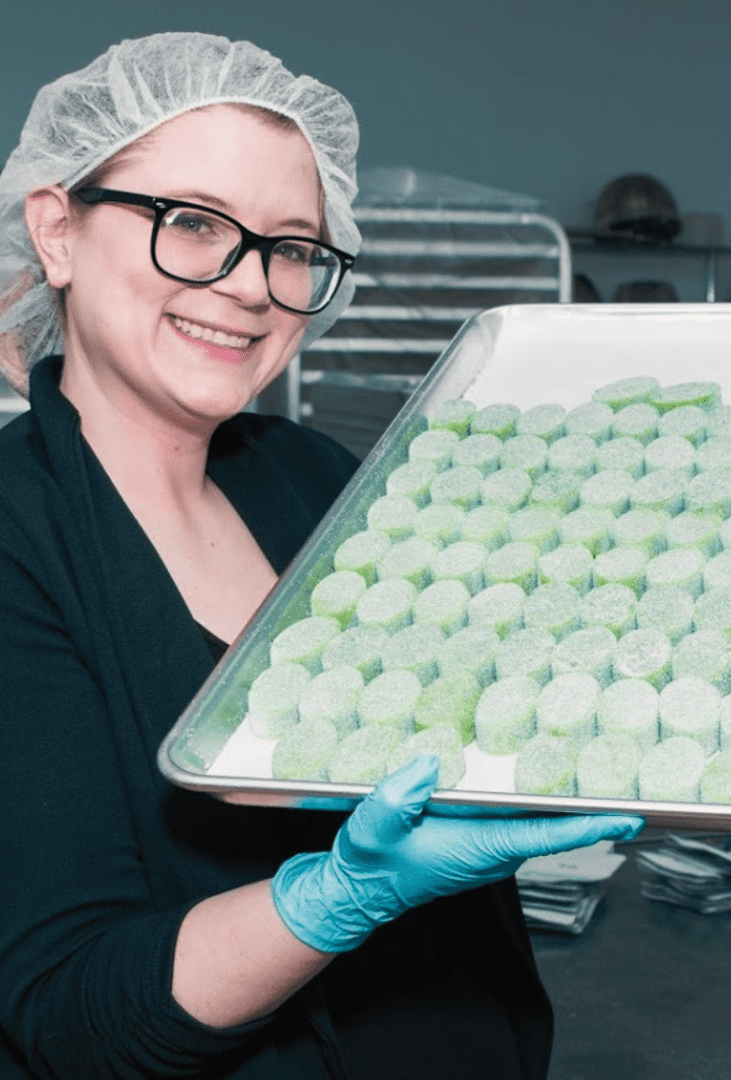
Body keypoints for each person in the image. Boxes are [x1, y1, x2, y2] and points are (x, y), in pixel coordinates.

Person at [0, 32, 643, 1080]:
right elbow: (72, 1009)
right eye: (194, 223)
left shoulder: (313, 479)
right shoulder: (19, 540)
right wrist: (339, 896)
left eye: (291, 246)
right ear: (57, 232)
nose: (250, 286)